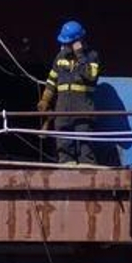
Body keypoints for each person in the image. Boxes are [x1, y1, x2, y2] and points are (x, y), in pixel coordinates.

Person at [37, 20, 101, 165]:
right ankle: (66, 165)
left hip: (83, 106)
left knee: (84, 135)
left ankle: (87, 167)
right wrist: (45, 99)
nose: (65, 45)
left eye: (68, 42)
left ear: (78, 41)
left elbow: (91, 76)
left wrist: (80, 55)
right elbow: (52, 80)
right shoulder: (60, 57)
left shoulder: (91, 56)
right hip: (63, 105)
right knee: (62, 134)